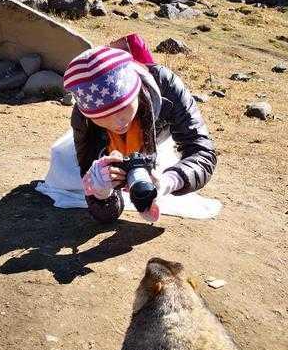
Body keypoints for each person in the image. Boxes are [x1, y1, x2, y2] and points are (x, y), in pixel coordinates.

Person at [63, 38, 217, 223]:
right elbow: (104, 214)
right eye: (102, 116)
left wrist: (169, 181)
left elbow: (201, 150)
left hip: (157, 138)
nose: (118, 123)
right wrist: (101, 192)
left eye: (123, 107)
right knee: (67, 172)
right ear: (88, 115)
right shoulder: (83, 119)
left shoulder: (165, 85)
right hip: (106, 147)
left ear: (137, 92)